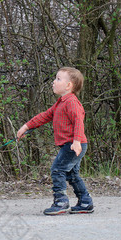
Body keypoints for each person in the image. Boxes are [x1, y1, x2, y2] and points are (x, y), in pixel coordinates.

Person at [17, 67, 94, 215]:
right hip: (72, 144)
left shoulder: (72, 102)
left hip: (73, 144)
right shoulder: (61, 102)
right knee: (72, 174)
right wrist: (26, 126)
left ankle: (61, 201)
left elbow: (79, 122)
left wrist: (76, 141)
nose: (54, 81)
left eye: (58, 79)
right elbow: (45, 116)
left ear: (68, 85)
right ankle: (85, 202)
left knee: (57, 169)